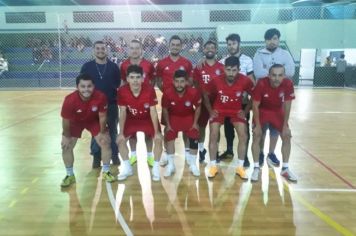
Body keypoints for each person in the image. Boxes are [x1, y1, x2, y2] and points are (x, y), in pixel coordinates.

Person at [60, 73, 116, 187]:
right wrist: (66, 136)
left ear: (93, 86)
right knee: (66, 146)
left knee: (105, 142)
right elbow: (65, 121)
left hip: (92, 121)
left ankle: (106, 171)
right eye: (83, 86)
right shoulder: (70, 100)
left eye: (89, 86)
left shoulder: (100, 97)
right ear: (77, 87)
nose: (86, 89)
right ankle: (69, 175)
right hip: (75, 122)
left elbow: (102, 117)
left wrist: (102, 132)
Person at [204, 56, 254, 179]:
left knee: (244, 135)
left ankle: (240, 167)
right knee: (213, 134)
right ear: (224, 69)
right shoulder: (216, 80)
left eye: (234, 70)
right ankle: (213, 166)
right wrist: (210, 111)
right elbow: (205, 94)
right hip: (218, 110)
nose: (231, 73)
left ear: (239, 69)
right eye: (228, 70)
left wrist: (245, 110)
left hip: (236, 111)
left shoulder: (245, 80)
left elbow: (254, 95)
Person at [253, 28, 295, 167]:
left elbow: (291, 71)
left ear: (278, 39)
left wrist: (271, 72)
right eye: (269, 39)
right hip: (264, 100)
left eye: (275, 38)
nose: (272, 41)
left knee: (275, 130)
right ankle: (260, 153)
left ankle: (271, 153)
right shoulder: (258, 54)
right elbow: (258, 72)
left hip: (279, 100)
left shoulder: (285, 53)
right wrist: (277, 72)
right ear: (265, 40)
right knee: (261, 131)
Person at [250, 64, 297, 182]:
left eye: (280, 75)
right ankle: (256, 167)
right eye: (274, 75)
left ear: (284, 76)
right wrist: (257, 126)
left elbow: (287, 105)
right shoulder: (261, 83)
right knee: (256, 135)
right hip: (262, 111)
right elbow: (255, 106)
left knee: (286, 136)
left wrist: (285, 125)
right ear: (269, 75)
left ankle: (285, 169)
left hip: (277, 112)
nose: (277, 78)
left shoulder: (288, 84)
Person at [116, 65, 163, 181]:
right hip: (131, 119)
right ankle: (127, 168)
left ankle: (156, 168)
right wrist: (120, 132)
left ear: (143, 78)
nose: (135, 80)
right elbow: (122, 112)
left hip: (147, 118)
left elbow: (153, 111)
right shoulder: (122, 91)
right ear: (127, 79)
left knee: (158, 139)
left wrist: (157, 132)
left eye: (138, 77)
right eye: (132, 77)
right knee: (120, 140)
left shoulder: (150, 90)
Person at [80, 41, 121, 168]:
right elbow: (83, 85)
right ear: (94, 50)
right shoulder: (87, 67)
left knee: (113, 131)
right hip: (93, 107)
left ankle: (114, 155)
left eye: (103, 48)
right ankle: (96, 157)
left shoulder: (114, 67)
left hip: (112, 104)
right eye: (97, 49)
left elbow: (117, 83)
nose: (100, 51)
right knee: (96, 132)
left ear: (106, 50)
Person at [218, 34, 255, 167]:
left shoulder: (247, 60)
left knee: (244, 129)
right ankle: (229, 151)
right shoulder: (223, 61)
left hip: (242, 101)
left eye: (233, 43)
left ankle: (244, 156)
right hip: (228, 102)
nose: (231, 46)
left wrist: (248, 94)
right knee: (228, 127)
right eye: (229, 44)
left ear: (239, 44)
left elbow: (251, 80)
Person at [156, 35, 193, 162]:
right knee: (168, 128)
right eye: (173, 44)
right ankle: (167, 154)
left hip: (184, 102)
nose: (175, 47)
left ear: (181, 46)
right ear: (169, 46)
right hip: (168, 102)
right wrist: (167, 93)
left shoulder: (186, 63)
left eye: (178, 45)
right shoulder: (161, 63)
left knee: (186, 128)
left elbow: (190, 81)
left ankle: (188, 154)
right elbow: (158, 80)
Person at [120, 39, 156, 167]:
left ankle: (150, 156)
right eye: (132, 48)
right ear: (128, 50)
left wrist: (149, 93)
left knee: (148, 132)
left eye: (137, 48)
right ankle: (133, 155)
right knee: (131, 132)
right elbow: (124, 83)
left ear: (141, 50)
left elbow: (153, 80)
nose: (134, 50)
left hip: (146, 102)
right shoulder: (124, 65)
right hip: (131, 102)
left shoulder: (148, 65)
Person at [162, 69, 202, 177]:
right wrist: (168, 125)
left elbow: (198, 107)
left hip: (188, 116)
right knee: (169, 134)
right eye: (177, 81)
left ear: (187, 82)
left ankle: (193, 165)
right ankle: (171, 165)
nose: (179, 84)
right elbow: (165, 109)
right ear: (173, 81)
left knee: (194, 133)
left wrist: (195, 123)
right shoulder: (167, 93)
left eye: (182, 81)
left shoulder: (193, 92)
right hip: (174, 117)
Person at [193, 40, 225, 163]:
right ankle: (201, 150)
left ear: (216, 50)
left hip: (216, 103)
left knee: (215, 128)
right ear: (204, 50)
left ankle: (215, 151)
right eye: (207, 47)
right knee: (201, 127)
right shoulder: (199, 66)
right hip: (202, 103)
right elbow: (195, 84)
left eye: (213, 47)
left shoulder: (221, 67)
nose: (210, 49)